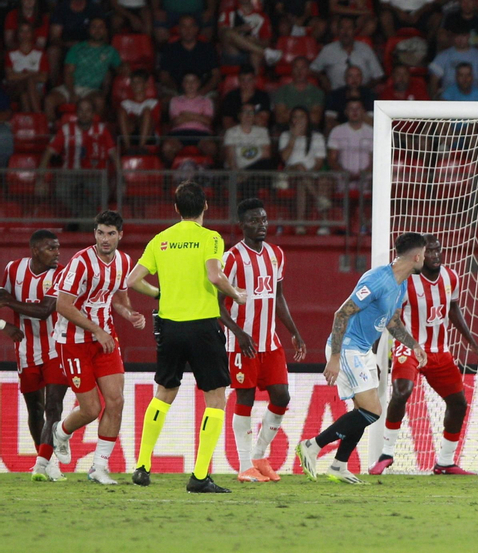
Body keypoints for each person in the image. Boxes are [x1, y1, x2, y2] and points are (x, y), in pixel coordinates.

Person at [124, 181, 250, 493]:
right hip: (203, 327)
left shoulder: (161, 239)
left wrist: (158, 292)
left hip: (169, 327)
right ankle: (199, 476)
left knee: (164, 392)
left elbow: (132, 280)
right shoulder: (211, 238)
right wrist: (237, 294)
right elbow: (214, 275)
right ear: (206, 206)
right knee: (216, 398)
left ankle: (142, 465)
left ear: (177, 209)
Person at [295, 233, 430, 484]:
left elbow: (392, 321)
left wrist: (413, 345)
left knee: (362, 411)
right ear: (417, 256)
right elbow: (341, 314)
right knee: (373, 410)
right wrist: (334, 357)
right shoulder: (377, 279)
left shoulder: (401, 284)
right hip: (346, 347)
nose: (428, 257)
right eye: (426, 252)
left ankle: (338, 466)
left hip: (363, 349)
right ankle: (312, 446)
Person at [371, 236, 478, 476]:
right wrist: (373, 353)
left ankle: (445, 462)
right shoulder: (405, 282)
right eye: (431, 252)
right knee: (402, 391)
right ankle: (386, 453)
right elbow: (389, 318)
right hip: (409, 348)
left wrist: (472, 343)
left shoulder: (451, 277)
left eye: (439, 251)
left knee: (458, 404)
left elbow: (453, 309)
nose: (436, 256)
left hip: (440, 352)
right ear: (420, 256)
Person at [48, 210, 148, 486]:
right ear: (94, 234)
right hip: (74, 341)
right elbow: (63, 305)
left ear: (120, 235)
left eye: (111, 234)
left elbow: (118, 299)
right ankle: (62, 431)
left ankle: (99, 467)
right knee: (91, 409)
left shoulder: (124, 262)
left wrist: (130, 315)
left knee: (116, 402)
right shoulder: (80, 262)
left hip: (104, 339)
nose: (105, 239)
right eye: (101, 233)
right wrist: (97, 330)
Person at [223, 198, 307, 483]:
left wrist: (294, 331)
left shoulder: (276, 254)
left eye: (264, 219)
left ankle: (259, 455)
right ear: (242, 225)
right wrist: (236, 331)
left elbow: (278, 296)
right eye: (254, 221)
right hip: (242, 343)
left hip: (270, 342)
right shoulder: (231, 258)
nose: (261, 225)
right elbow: (214, 303)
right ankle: (245, 465)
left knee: (281, 396)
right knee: (244, 398)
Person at [1, 230, 67, 481]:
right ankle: (45, 458)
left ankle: (46, 462)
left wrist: (9, 302)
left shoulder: (60, 273)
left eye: (58, 247)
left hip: (55, 348)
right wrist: (4, 326)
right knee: (34, 408)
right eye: (51, 248)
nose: (57, 253)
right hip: (26, 350)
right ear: (35, 250)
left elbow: (44, 311)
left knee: (54, 406)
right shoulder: (13, 269)